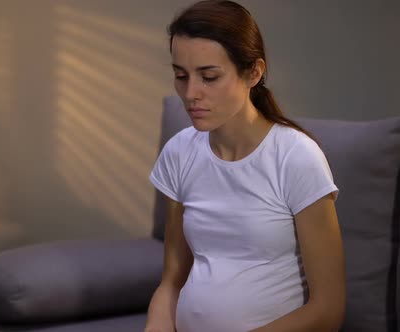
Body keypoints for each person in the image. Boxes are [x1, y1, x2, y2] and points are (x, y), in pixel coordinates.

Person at [144, 1, 346, 331]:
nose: (191, 93)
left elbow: (328, 310)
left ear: (254, 72)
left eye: (209, 77)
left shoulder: (296, 157)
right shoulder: (180, 152)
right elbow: (171, 284)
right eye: (181, 76)